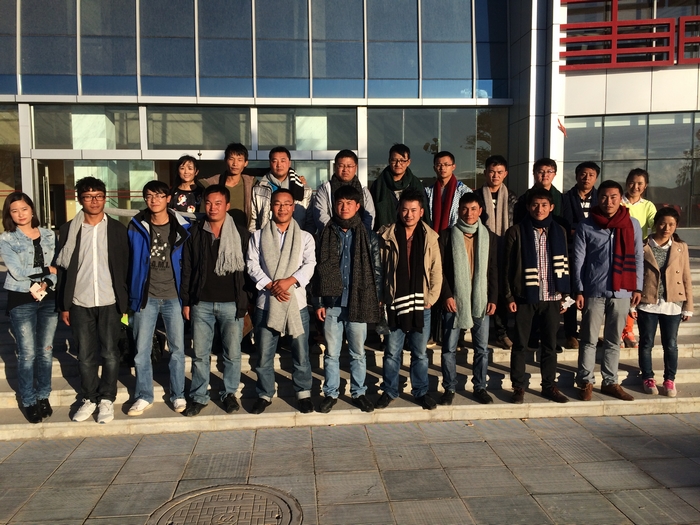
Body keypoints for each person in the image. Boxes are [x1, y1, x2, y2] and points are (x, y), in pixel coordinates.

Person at [55, 177, 129, 424]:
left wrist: (125, 302)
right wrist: (64, 305)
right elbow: (63, 270)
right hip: (80, 301)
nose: (94, 201)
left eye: (98, 196)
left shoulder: (118, 229)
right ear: (80, 199)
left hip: (110, 300)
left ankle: (106, 398)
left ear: (105, 198)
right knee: (85, 355)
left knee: (110, 353)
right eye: (88, 196)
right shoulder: (69, 230)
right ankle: (89, 397)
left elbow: (125, 266)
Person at [180, 184, 252, 416]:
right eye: (209, 203)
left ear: (227, 206)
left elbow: (249, 271)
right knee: (200, 354)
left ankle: (229, 393)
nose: (212, 207)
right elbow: (187, 268)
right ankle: (199, 396)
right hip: (201, 303)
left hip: (232, 302)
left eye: (218, 203)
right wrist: (187, 301)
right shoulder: (195, 232)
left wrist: (247, 301)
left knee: (232, 353)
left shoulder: (241, 234)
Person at [313, 185, 382, 414]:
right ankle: (331, 393)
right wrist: (318, 302)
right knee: (331, 353)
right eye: (340, 203)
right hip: (332, 303)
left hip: (358, 301)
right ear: (334, 205)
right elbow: (316, 271)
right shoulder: (325, 233)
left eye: (349, 203)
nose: (344, 207)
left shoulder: (368, 235)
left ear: (358, 206)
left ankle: (359, 392)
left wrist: (376, 299)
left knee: (358, 353)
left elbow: (376, 271)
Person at [246, 189, 316, 414]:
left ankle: (303, 392)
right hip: (266, 302)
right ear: (271, 207)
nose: (282, 208)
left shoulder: (305, 237)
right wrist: (270, 285)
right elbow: (252, 265)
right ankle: (264, 393)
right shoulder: (258, 236)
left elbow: (309, 264)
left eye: (287, 204)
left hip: (296, 302)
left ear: (293, 207)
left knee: (301, 352)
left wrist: (289, 282)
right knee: (264, 354)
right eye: (278, 204)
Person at [573, 180, 643, 402]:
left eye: (613, 197)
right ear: (598, 198)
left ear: (620, 198)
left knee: (613, 339)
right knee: (589, 339)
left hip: (622, 290)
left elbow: (638, 256)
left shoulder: (632, 224)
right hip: (594, 289)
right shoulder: (586, 225)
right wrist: (579, 289)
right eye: (604, 197)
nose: (608, 201)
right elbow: (578, 260)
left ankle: (610, 381)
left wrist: (637, 286)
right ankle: (585, 381)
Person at [126, 181, 191, 416]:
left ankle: (178, 394)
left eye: (159, 195)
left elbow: (188, 264)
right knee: (141, 350)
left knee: (177, 349)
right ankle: (144, 395)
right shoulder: (136, 225)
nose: (154, 200)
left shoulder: (182, 227)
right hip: (146, 296)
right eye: (149, 196)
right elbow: (128, 260)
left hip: (173, 296)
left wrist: (187, 298)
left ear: (168, 198)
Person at [376, 189, 442, 410]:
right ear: (399, 210)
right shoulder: (387, 235)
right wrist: (382, 297)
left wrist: (431, 298)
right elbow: (380, 269)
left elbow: (436, 270)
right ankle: (389, 390)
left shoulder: (430, 237)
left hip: (421, 304)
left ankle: (421, 391)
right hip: (395, 303)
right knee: (391, 352)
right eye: (405, 209)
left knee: (420, 353)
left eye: (414, 210)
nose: (409, 214)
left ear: (421, 212)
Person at [503, 188, 571, 404]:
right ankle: (518, 386)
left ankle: (549, 385)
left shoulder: (559, 231)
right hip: (525, 296)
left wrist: (565, 296)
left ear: (551, 207)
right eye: (535, 205)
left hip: (552, 297)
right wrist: (509, 297)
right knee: (520, 344)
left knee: (550, 345)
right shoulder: (516, 231)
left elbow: (565, 264)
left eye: (544, 205)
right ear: (528, 207)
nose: (539, 209)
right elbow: (507, 268)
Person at [0, 192, 58, 424]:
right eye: (14, 211)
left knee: (46, 350)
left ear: (32, 210)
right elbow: (16, 272)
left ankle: (43, 395)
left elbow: (57, 266)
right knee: (27, 353)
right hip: (21, 297)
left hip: (49, 297)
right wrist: (44, 274)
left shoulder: (49, 234)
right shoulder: (7, 238)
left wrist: (48, 281)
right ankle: (29, 400)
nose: (20, 214)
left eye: (24, 209)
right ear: (9, 215)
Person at [438, 193, 498, 405]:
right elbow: (440, 270)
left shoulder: (488, 236)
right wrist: (446, 295)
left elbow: (493, 269)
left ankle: (480, 387)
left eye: (473, 209)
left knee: (481, 349)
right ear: (458, 210)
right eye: (464, 208)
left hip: (480, 299)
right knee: (449, 349)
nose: (469, 213)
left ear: (480, 211)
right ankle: (449, 388)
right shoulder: (446, 236)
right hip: (455, 300)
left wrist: (493, 298)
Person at [634, 207, 693, 397]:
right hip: (647, 302)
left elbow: (686, 276)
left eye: (671, 225)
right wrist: (632, 302)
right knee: (646, 343)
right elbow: (635, 274)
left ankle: (669, 379)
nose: (666, 228)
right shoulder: (643, 245)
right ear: (655, 224)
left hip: (672, 303)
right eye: (662, 223)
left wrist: (688, 306)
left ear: (676, 226)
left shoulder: (680, 247)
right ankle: (647, 377)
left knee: (671, 344)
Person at [479, 154, 517, 350]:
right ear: (485, 172)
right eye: (492, 172)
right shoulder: (477, 196)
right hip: (482, 248)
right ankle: (479, 333)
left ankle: (501, 333)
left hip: (505, 249)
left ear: (505, 174)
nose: (495, 176)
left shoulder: (513, 198)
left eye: (499, 172)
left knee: (502, 290)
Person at [561, 161, 600, 349]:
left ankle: (588, 331)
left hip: (594, 255)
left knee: (591, 294)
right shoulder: (566, 198)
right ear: (576, 176)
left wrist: (581, 231)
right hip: (570, 253)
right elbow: (563, 224)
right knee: (571, 293)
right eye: (583, 174)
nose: (586, 178)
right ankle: (570, 333)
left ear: (596, 178)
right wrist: (585, 231)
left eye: (591, 175)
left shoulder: (601, 199)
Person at [621, 168, 657, 348]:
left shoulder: (648, 206)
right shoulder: (618, 201)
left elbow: (655, 226)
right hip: (617, 252)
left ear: (645, 186)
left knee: (632, 292)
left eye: (640, 184)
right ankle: (618, 330)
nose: (635, 187)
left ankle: (628, 330)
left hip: (637, 254)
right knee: (620, 292)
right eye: (632, 182)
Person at [250, 146, 314, 232]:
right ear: (270, 163)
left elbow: (310, 221)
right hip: (265, 237)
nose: (279, 165)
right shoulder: (258, 189)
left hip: (297, 237)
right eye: (275, 161)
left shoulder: (303, 189)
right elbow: (253, 220)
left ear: (289, 163)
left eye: (283, 161)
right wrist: (257, 237)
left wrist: (304, 237)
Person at [312, 149, 375, 233]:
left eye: (349, 166)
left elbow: (369, 215)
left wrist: (361, 233)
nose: (345, 169)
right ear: (335, 167)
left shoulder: (364, 191)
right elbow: (320, 214)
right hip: (331, 235)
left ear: (356, 167)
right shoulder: (325, 188)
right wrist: (336, 233)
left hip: (359, 235)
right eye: (341, 166)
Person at [200, 143, 257, 229]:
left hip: (244, 232)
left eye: (239, 160)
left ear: (245, 163)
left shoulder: (251, 183)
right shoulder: (212, 183)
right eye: (231, 159)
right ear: (225, 160)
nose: (235, 164)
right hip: (217, 231)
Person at [369, 144, 425, 230]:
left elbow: (424, 212)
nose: (398, 164)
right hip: (385, 233)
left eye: (402, 160)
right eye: (394, 160)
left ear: (408, 162)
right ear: (389, 161)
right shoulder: (378, 185)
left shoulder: (416, 184)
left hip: (413, 233)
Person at [425, 151, 472, 235]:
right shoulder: (428, 191)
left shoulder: (463, 191)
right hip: (432, 236)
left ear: (453, 167)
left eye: (446, 165)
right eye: (439, 165)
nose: (442, 168)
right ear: (434, 168)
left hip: (457, 234)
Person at [513, 158, 565, 225]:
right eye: (540, 172)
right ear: (534, 174)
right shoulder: (524, 198)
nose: (545, 175)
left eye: (549, 171)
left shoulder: (562, 199)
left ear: (554, 174)